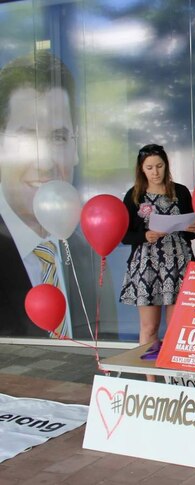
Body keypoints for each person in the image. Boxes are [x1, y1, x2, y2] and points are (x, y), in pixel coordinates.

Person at [0, 50, 116, 339]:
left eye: (58, 137)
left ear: (75, 146)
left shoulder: (88, 253)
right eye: (26, 137)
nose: (45, 162)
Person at [119, 144, 195, 374]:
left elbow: (189, 232)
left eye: (159, 166)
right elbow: (124, 234)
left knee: (177, 327)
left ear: (166, 166)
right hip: (147, 266)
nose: (155, 172)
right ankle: (151, 382)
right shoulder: (134, 195)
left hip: (178, 263)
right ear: (141, 170)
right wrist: (144, 235)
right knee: (150, 326)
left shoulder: (181, 191)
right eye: (149, 168)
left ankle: (175, 377)